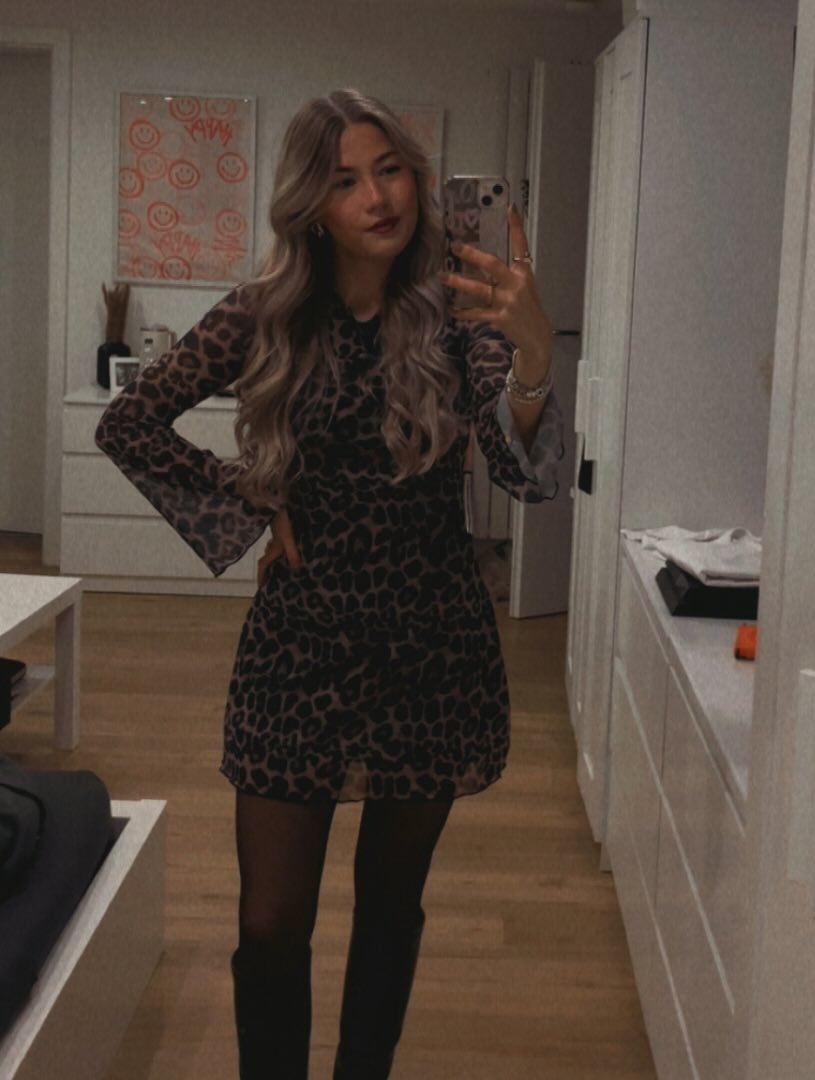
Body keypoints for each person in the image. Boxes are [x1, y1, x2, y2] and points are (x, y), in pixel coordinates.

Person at [96, 89, 563, 1080]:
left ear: (417, 181)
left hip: (431, 648)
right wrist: (253, 495)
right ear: (313, 204)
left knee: (391, 908)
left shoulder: (456, 307)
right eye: (346, 180)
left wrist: (532, 351)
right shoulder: (266, 311)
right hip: (299, 648)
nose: (377, 197)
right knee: (270, 921)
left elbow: (526, 473)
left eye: (390, 170)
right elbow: (128, 422)